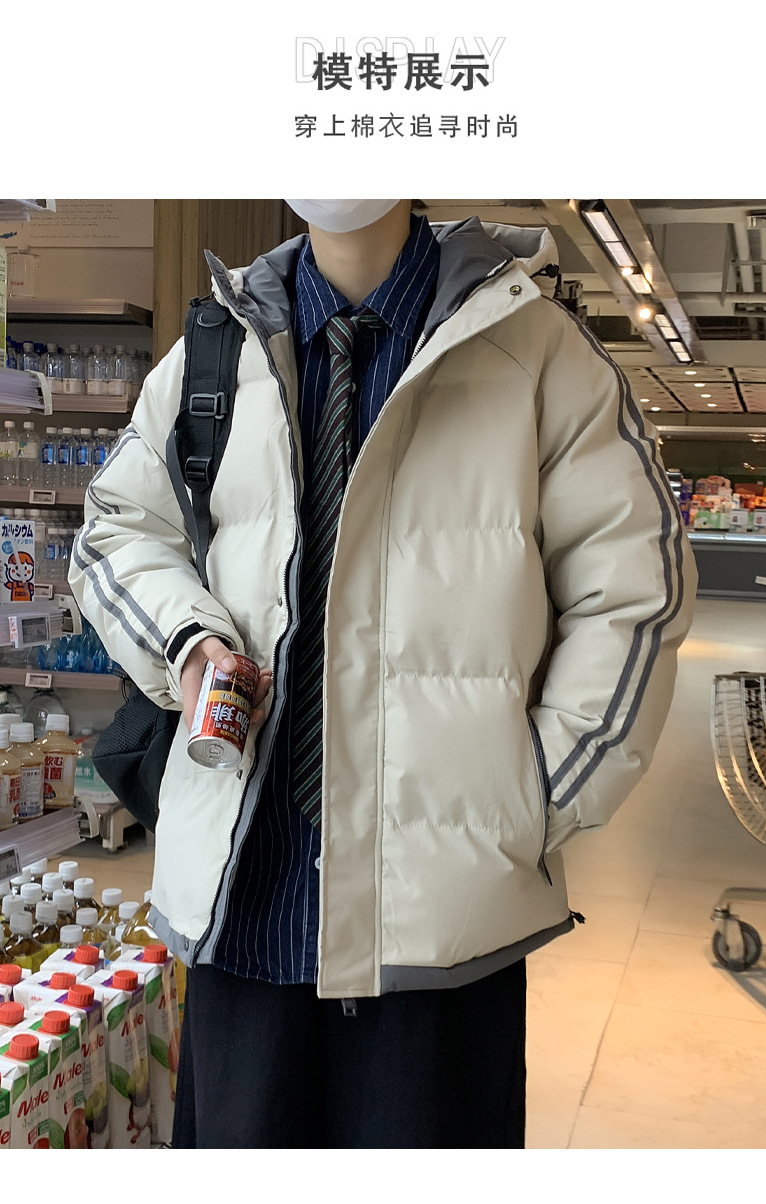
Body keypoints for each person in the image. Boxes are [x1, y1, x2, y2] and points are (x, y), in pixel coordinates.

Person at [69, 199, 697, 1148]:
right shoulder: (212, 350)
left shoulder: (536, 351)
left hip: (442, 936)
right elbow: (116, 528)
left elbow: (635, 589)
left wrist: (532, 799)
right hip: (246, 910)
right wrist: (187, 641)